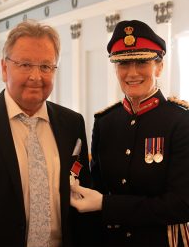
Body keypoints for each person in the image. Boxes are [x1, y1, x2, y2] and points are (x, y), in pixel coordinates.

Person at [0, 20, 89, 246]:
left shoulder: (72, 123)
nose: (36, 76)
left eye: (45, 66)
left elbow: (83, 198)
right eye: (25, 65)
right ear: (4, 68)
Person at [69, 20, 189, 246]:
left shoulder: (181, 121)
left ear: (159, 66)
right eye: (123, 64)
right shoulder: (105, 123)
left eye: (142, 62)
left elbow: (182, 205)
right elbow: (97, 187)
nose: (132, 73)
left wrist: (107, 205)